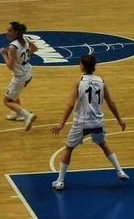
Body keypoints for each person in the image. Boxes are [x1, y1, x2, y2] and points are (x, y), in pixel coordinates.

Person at [50, 54, 128, 189]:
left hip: (82, 122)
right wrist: (119, 119)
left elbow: (70, 105)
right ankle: (120, 171)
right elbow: (111, 103)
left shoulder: (79, 82)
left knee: (68, 148)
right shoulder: (101, 81)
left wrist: (61, 123)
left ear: (83, 66)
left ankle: (60, 181)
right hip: (97, 122)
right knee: (103, 144)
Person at [0, 21, 37, 132]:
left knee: (7, 101)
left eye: (9, 31)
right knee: (14, 94)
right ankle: (17, 113)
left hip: (20, 76)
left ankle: (26, 115)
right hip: (28, 72)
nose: (7, 32)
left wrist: (4, 54)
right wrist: (24, 54)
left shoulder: (12, 46)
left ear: (15, 32)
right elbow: (35, 49)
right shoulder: (24, 40)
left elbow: (10, 66)